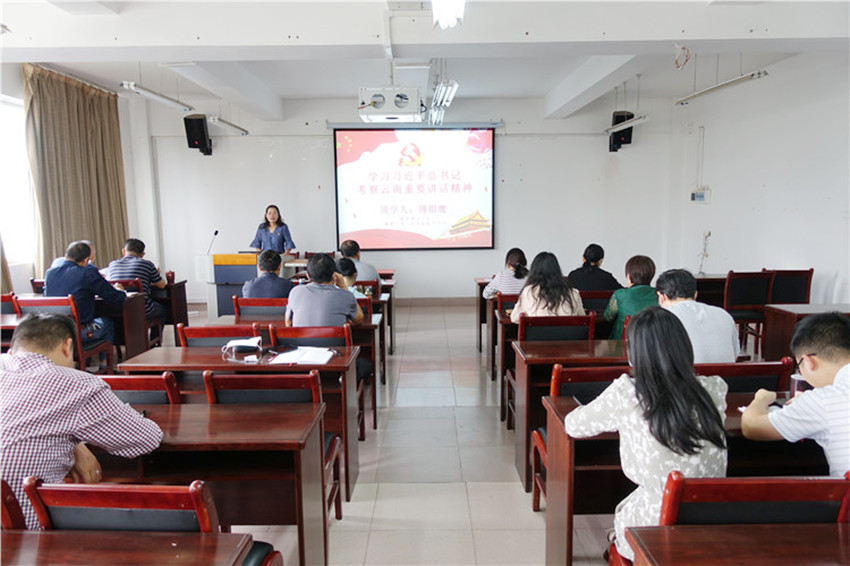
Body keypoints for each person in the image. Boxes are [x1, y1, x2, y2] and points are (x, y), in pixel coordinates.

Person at [564, 307, 727, 561]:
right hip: (712, 518)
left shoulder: (628, 392)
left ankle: (618, 545)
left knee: (628, 514)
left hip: (654, 524)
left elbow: (573, 425)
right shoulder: (714, 388)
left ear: (634, 353)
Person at [0, 313, 163, 529]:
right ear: (67, 346)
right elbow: (146, 439)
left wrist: (75, 441)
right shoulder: (76, 384)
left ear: (12, 349)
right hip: (25, 540)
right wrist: (77, 440)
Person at [742, 312, 850, 477]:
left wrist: (761, 398)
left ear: (809, 362)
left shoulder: (823, 400)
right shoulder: (820, 401)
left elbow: (751, 426)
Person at [44, 240, 126, 346]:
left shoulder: (49, 273)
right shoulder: (87, 272)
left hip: (56, 331)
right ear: (87, 260)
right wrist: (120, 291)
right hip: (79, 331)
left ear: (66, 256)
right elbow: (113, 297)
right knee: (107, 323)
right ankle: (103, 362)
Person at [656, 268, 739, 363]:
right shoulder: (723, 314)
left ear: (662, 297)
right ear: (695, 295)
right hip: (724, 377)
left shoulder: (661, 318)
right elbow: (735, 353)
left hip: (686, 377)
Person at [285, 253, 364, 327]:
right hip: (334, 342)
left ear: (307, 276)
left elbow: (288, 323)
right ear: (334, 276)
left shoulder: (295, 292)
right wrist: (344, 286)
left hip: (301, 341)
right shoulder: (345, 295)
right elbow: (359, 319)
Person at [104, 238, 167, 325]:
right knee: (162, 310)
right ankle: (155, 338)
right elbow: (161, 285)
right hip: (141, 310)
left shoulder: (112, 264)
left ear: (123, 251)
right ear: (142, 255)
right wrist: (156, 273)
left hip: (117, 310)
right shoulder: (147, 264)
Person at [510, 252, 585, 323]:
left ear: (534, 271)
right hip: (568, 336)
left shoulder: (528, 292)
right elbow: (583, 318)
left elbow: (514, 318)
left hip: (538, 336)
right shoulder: (574, 293)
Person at [603, 255, 658, 339]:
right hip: (650, 342)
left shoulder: (620, 294)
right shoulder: (660, 294)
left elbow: (608, 317)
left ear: (628, 276)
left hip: (621, 346)